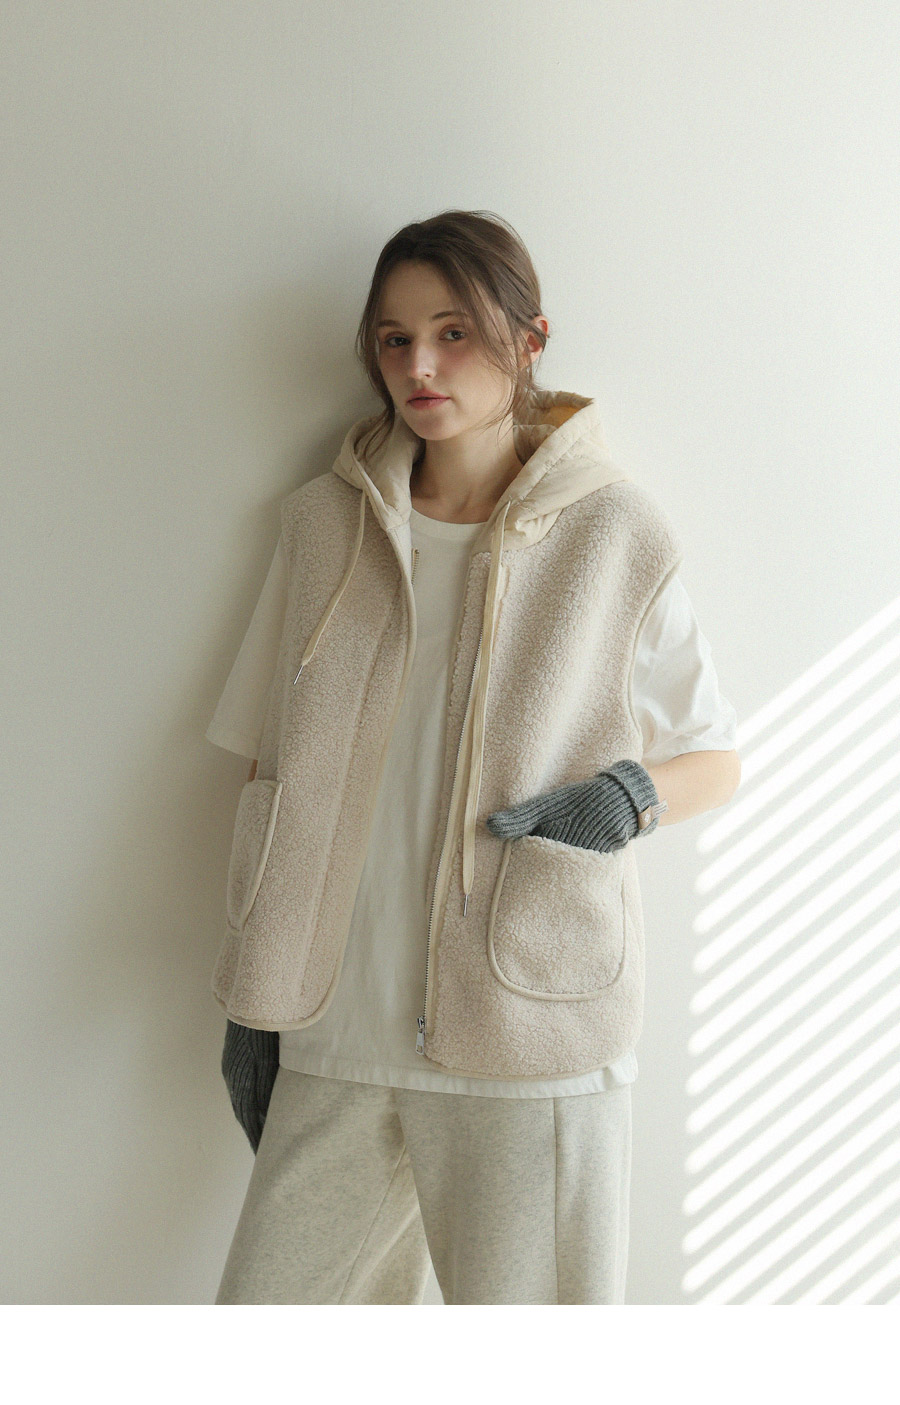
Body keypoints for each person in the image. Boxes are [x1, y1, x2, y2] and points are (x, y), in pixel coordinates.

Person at [205, 209, 741, 1305]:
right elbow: (268, 768)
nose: (420, 365)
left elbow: (713, 757)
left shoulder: (614, 532)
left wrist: (623, 797)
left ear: (528, 340)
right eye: (395, 339)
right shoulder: (325, 525)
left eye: (454, 333)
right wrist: (256, 993)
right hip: (333, 1031)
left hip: (529, 1032)